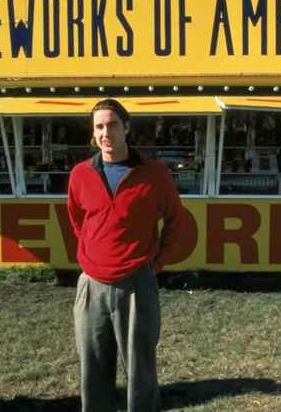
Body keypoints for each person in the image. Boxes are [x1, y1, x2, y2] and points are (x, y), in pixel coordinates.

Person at [67, 99, 185, 412]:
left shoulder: (154, 174)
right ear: (94, 133)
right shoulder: (80, 174)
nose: (106, 132)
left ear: (127, 127)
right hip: (91, 285)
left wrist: (154, 264)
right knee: (92, 369)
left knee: (140, 371)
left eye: (113, 124)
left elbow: (176, 219)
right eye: (99, 127)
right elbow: (78, 220)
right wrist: (92, 256)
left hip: (137, 284)